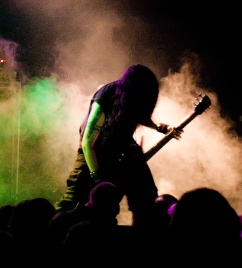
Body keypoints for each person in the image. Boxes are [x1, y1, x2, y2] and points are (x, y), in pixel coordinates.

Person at [55, 64, 182, 226]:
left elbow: (139, 114)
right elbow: (88, 142)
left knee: (114, 202)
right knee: (73, 200)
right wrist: (96, 176)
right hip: (91, 153)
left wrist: (160, 127)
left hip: (117, 149)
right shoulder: (107, 94)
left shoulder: (135, 100)